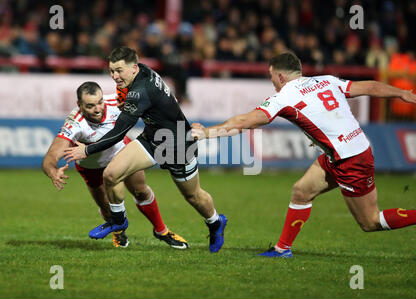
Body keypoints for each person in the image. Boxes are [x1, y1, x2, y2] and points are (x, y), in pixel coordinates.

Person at [191, 52, 416, 258]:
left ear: (280, 76)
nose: (271, 82)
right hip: (344, 152)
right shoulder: (326, 80)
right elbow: (369, 87)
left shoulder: (284, 96)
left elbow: (243, 122)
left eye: (271, 77)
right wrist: (402, 93)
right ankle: (282, 249)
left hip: (350, 160)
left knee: (370, 221)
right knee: (301, 191)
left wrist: (205, 133)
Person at [63, 47, 227, 253]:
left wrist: (86, 151)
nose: (114, 76)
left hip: (177, 143)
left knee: (193, 196)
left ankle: (215, 222)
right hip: (153, 137)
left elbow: (117, 132)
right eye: (112, 70)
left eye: (119, 71)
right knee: (111, 174)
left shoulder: (139, 92)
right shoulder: (142, 72)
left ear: (133, 68)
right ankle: (118, 221)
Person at [43, 81, 188, 249]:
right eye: (90, 106)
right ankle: (118, 230)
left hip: (122, 152)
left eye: (99, 102)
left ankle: (162, 231)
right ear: (79, 105)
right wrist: (53, 172)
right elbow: (50, 157)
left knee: (141, 191)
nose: (97, 109)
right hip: (92, 168)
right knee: (107, 210)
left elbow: (151, 100)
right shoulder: (74, 123)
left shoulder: (116, 101)